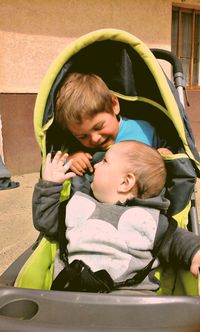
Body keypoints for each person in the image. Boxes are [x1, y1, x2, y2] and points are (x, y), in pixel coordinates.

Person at [33, 141, 200, 292]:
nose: (96, 165)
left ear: (125, 182)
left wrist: (196, 252)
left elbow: (177, 240)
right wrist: (50, 185)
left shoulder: (149, 220)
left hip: (128, 301)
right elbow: (45, 221)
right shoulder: (78, 204)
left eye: (105, 161)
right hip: (73, 292)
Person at [55, 72, 172, 176]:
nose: (95, 139)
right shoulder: (77, 146)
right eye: (83, 136)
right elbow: (58, 161)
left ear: (114, 105)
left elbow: (168, 149)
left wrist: (165, 154)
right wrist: (71, 160)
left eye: (99, 127)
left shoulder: (143, 130)